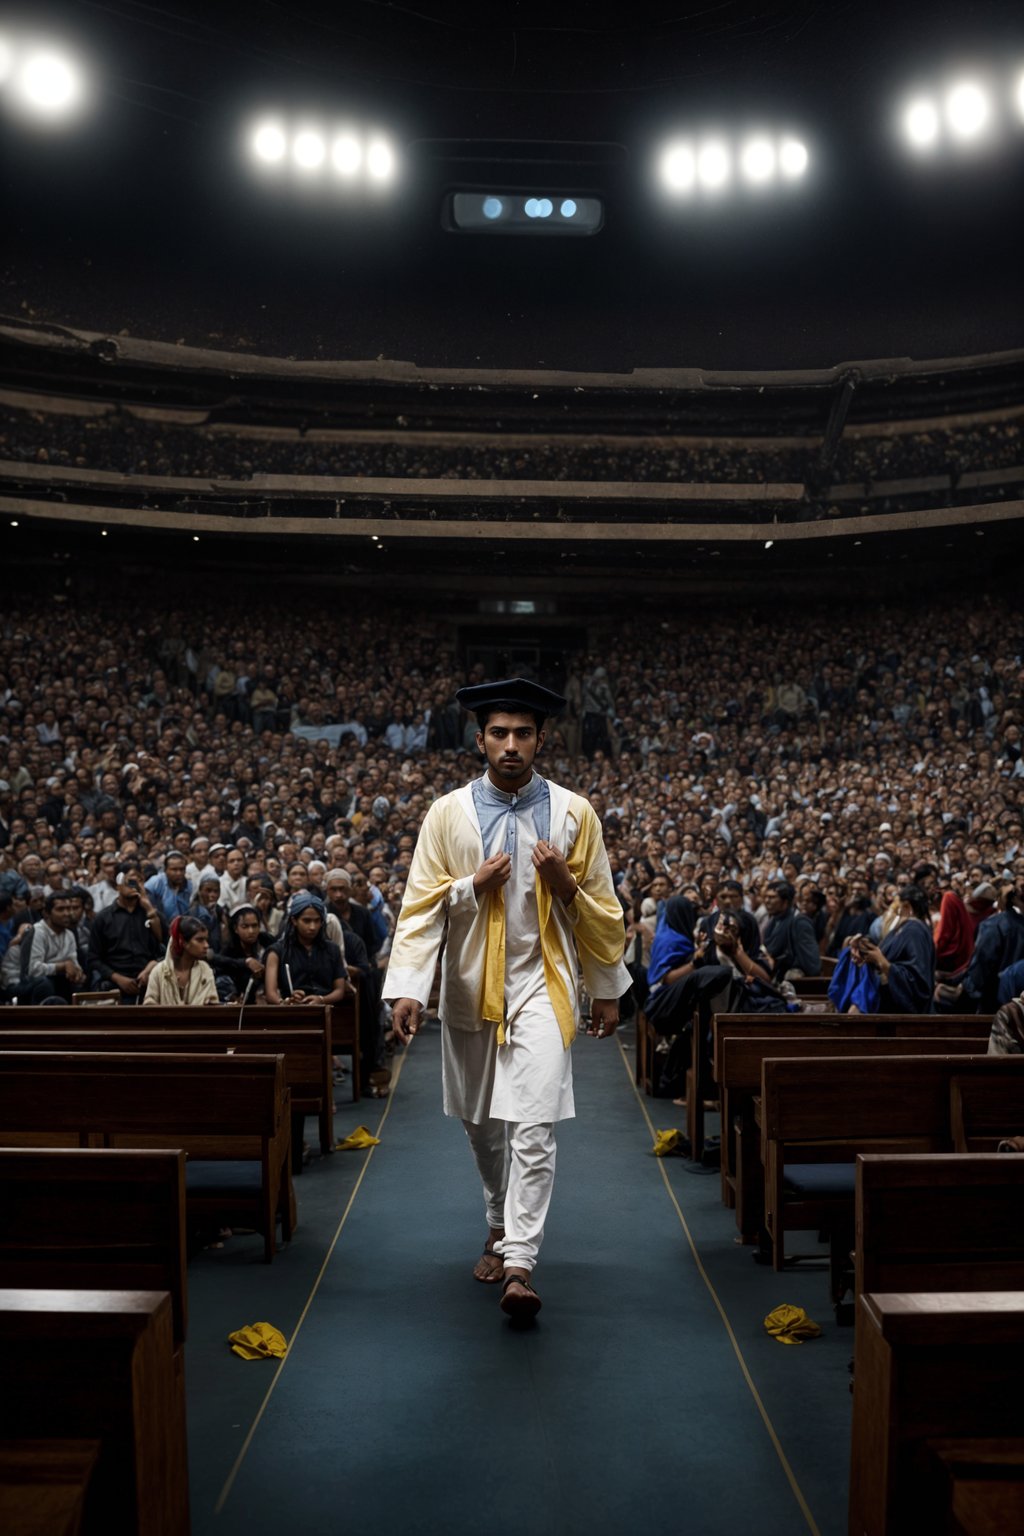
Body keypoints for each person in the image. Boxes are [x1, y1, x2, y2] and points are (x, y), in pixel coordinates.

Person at [384, 677, 630, 1324]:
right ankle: (497, 1218)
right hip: (469, 986)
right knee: (483, 1125)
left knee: (535, 1123)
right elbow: (418, 906)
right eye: (500, 733)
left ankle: (519, 1261)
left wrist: (600, 978)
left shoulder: (575, 814)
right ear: (480, 739)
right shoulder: (448, 814)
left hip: (544, 986)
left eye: (523, 733)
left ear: (541, 740)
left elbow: (605, 911)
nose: (511, 744)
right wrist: (413, 982)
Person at [847, 884, 936, 1013]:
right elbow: (883, 952)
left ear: (906, 906)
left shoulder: (915, 931)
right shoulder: (901, 929)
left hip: (901, 1013)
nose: (891, 910)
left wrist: (882, 963)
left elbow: (918, 983)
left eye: (895, 905)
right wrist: (864, 949)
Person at [86, 862, 164, 1002]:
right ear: (117, 885)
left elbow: (169, 947)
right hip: (115, 981)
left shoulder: (153, 914)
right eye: (130, 880)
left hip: (149, 978)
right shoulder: (103, 918)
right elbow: (93, 958)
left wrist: (151, 968)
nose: (135, 884)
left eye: (139, 880)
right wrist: (117, 978)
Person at [264, 890, 349, 1007]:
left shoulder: (332, 949)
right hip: (289, 1014)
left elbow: (339, 990)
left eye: (317, 921)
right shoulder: (277, 951)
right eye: (306, 921)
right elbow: (271, 994)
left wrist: (321, 999)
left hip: (326, 1012)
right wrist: (285, 1001)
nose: (312, 927)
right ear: (294, 921)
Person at [144, 913, 218, 1004]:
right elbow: (149, 1007)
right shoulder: (159, 972)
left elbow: (213, 1008)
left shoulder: (205, 971)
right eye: (200, 940)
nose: (206, 945)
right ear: (183, 942)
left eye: (206, 940)